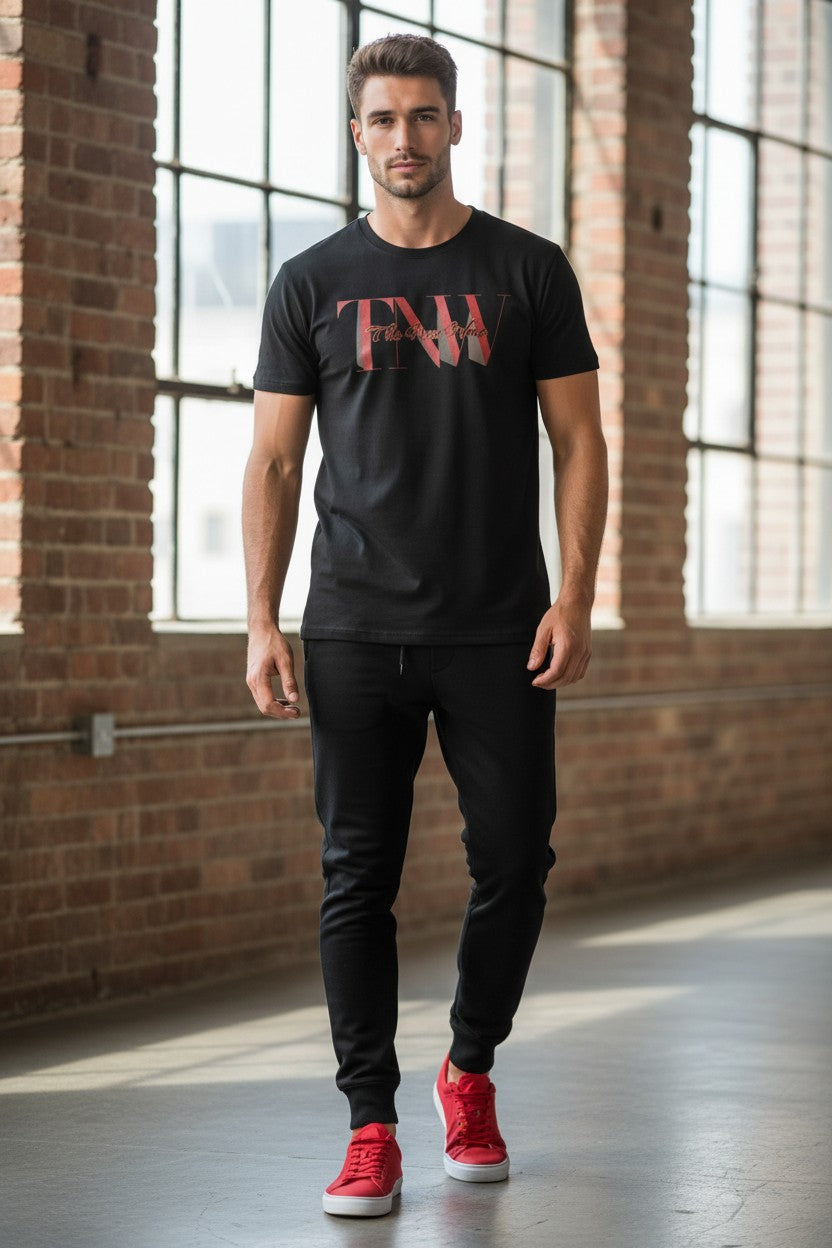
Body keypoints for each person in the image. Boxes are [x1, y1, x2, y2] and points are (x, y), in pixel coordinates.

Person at [243, 34, 608, 1219]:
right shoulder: (310, 282)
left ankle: (468, 1069)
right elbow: (272, 461)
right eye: (384, 120)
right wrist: (260, 619)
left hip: (499, 625)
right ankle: (367, 1126)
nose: (405, 139)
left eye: (425, 117)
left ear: (455, 127)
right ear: (359, 135)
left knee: (515, 860)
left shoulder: (527, 272)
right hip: (350, 626)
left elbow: (580, 443)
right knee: (357, 877)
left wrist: (576, 596)